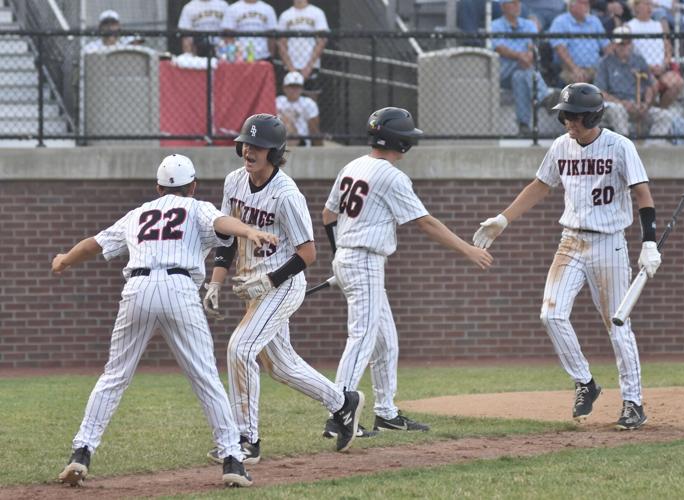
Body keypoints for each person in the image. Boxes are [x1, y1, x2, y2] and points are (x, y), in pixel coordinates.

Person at [54, 154, 280, 488]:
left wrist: (64, 260)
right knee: (204, 376)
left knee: (114, 376)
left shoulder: (139, 212)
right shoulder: (197, 206)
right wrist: (248, 230)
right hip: (179, 287)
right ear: (193, 185)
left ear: (158, 187)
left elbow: (94, 244)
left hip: (138, 288)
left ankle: (81, 452)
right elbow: (222, 224)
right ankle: (232, 458)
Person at [473, 83, 661, 431]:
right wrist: (503, 219)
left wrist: (649, 242)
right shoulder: (562, 146)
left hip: (609, 243)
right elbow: (541, 185)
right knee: (551, 314)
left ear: (591, 115)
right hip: (571, 241)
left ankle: (633, 403)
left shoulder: (620, 146)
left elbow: (642, 194)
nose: (567, 123)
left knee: (617, 325)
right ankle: (585, 382)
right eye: (565, 117)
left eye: (573, 117)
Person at [320, 107, 494, 439]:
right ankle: (338, 414)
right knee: (363, 338)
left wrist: (340, 254)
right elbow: (424, 222)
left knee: (386, 342)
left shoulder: (352, 165)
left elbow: (328, 214)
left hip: (350, 257)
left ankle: (385, 413)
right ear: (400, 142)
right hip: (364, 260)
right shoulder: (391, 175)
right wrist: (468, 250)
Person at [201, 113, 365, 464]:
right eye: (247, 143)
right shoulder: (234, 182)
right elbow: (228, 238)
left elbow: (308, 253)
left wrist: (269, 280)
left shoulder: (287, 194)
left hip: (283, 285)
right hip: (255, 288)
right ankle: (343, 403)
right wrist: (215, 280)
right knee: (281, 366)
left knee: (240, 349)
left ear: (274, 153)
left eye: (258, 146)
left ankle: (246, 440)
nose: (250, 150)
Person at [491, 0, 561, 135]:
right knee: (523, 69)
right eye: (512, 3)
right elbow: (499, 48)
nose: (517, 6)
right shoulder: (495, 25)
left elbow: (533, 47)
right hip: (504, 73)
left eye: (518, 3)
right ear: (503, 6)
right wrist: (520, 56)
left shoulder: (528, 25)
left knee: (520, 76)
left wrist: (528, 55)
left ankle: (523, 125)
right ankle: (545, 97)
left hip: (524, 69)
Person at [594, 26, 673, 142]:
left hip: (638, 105)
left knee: (665, 116)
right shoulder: (605, 63)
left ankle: (651, 150)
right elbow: (600, 92)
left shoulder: (639, 60)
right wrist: (622, 103)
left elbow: (649, 86)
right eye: (620, 44)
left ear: (631, 44)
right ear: (614, 45)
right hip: (614, 106)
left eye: (627, 43)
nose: (624, 47)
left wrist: (645, 104)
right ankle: (626, 151)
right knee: (618, 110)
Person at [627, 0, 684, 108]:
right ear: (636, 7)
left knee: (678, 83)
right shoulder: (629, 26)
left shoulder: (659, 25)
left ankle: (660, 108)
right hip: (640, 71)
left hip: (661, 69)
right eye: (646, 4)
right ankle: (646, 112)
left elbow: (668, 49)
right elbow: (629, 54)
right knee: (653, 85)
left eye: (651, 4)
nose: (649, 7)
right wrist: (648, 68)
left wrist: (664, 64)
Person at [548, 0, 610, 84]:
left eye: (588, 3)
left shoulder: (594, 21)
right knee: (576, 83)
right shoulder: (560, 21)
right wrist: (575, 69)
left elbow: (606, 46)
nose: (587, 6)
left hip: (595, 68)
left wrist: (604, 67)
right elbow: (560, 49)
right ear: (572, 5)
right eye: (583, 3)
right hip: (568, 68)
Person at [277, 0, 329, 99]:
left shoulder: (317, 13)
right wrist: (291, 68)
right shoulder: (285, 15)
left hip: (311, 66)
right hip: (291, 66)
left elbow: (321, 41)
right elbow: (281, 43)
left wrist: (309, 67)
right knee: (290, 100)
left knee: (311, 99)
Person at [276, 71, 321, 146]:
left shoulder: (308, 103)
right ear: (284, 88)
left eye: (297, 86)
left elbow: (314, 130)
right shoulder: (278, 101)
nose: (294, 89)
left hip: (301, 142)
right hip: (280, 139)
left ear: (302, 88)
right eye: (291, 86)